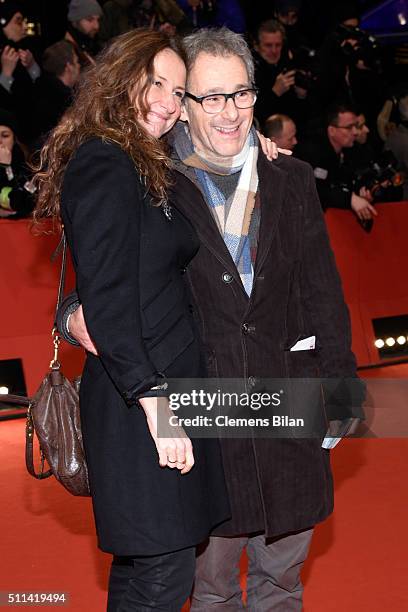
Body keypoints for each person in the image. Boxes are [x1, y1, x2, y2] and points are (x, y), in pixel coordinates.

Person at [60, 27, 363, 610]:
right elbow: (106, 273)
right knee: (211, 589)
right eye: (210, 97)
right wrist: (70, 312)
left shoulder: (292, 178)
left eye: (242, 94)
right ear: (182, 110)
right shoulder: (150, 177)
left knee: (282, 581)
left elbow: (325, 293)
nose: (230, 112)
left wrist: (344, 385)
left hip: (290, 405)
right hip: (205, 414)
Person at [33, 29, 230, 611]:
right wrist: (155, 405)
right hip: (139, 400)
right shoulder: (104, 162)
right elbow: (108, 296)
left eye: (179, 90)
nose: (169, 102)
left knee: (148, 564)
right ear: (123, 82)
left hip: (156, 389)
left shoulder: (147, 161)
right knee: (164, 572)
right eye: (156, 85)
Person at [295, 103, 377, 221]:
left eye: (356, 126)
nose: (355, 132)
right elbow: (312, 190)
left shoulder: (353, 150)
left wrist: (361, 192)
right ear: (332, 130)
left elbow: (350, 179)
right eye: (349, 127)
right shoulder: (310, 153)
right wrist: (349, 199)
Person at [32, 41, 81, 144]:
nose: (79, 66)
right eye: (76, 62)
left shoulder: (38, 89)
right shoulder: (66, 100)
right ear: (68, 67)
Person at [0, 108, 35, 218]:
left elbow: (22, 202)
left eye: (5, 136)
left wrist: (6, 167)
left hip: (15, 231)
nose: (0, 141)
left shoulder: (24, 165)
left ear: (14, 139)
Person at [65, 0, 102, 67]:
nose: (97, 26)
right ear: (75, 22)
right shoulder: (65, 53)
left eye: (98, 20)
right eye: (90, 20)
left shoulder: (93, 44)